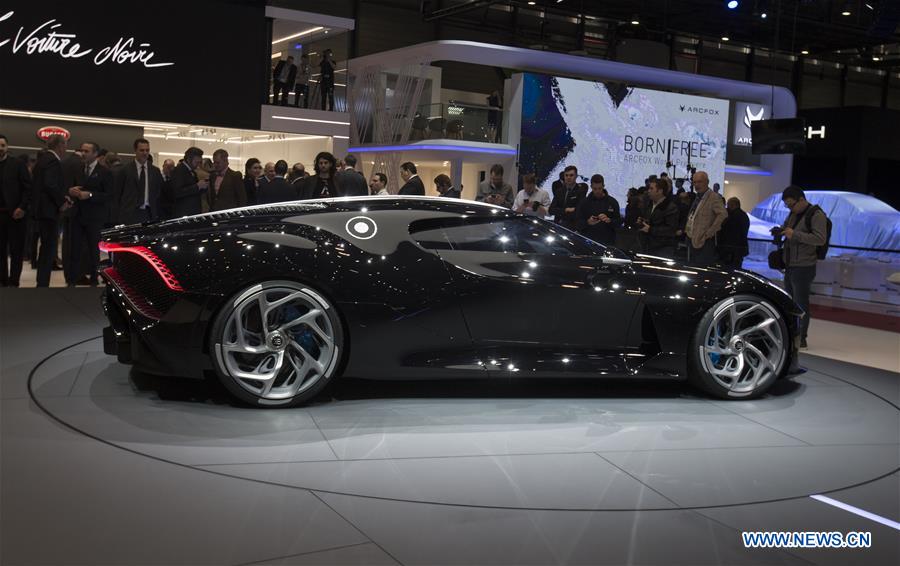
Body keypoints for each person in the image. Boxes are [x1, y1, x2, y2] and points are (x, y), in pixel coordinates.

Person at [772, 185, 828, 349]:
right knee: (790, 302)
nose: (790, 208)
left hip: (804, 265)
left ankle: (801, 337)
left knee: (800, 303)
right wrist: (780, 231)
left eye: (791, 204)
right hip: (790, 264)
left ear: (801, 200)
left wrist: (794, 234)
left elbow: (820, 239)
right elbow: (788, 229)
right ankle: (791, 334)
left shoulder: (816, 215)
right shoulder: (793, 213)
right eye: (787, 205)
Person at [65, 141, 111, 286]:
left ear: (95, 154)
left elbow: (108, 195)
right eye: (82, 151)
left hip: (94, 217)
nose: (83, 154)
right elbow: (67, 187)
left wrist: (90, 195)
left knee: (93, 250)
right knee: (74, 249)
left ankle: (94, 279)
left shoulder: (104, 172)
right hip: (77, 215)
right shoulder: (76, 169)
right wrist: (70, 191)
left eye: (86, 151)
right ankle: (72, 280)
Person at [33, 134, 68, 287]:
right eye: (65, 145)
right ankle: (43, 283)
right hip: (49, 211)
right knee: (49, 248)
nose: (65, 148)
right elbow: (51, 184)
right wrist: (61, 202)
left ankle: (41, 281)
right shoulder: (53, 161)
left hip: (42, 210)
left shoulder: (42, 160)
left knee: (45, 247)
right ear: (60, 145)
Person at [0, 134, 31, 287]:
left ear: (7, 147)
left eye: (2, 145)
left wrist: (22, 207)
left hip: (15, 214)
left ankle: (14, 281)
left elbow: (28, 188)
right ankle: (2, 281)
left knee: (16, 250)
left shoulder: (17, 164)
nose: (0, 148)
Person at [115, 138, 163, 225]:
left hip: (149, 213)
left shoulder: (155, 171)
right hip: (129, 213)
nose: (145, 153)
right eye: (142, 150)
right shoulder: (125, 170)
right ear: (135, 151)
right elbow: (118, 193)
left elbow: (158, 191)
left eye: (147, 150)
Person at [685, 170, 727, 266]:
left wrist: (709, 233)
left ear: (707, 182)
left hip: (704, 242)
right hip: (692, 239)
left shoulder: (714, 197)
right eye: (694, 182)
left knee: (702, 268)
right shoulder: (698, 197)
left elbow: (723, 215)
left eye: (700, 182)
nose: (696, 185)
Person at [636, 177, 679, 258]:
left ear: (660, 191)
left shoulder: (670, 207)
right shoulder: (649, 205)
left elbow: (671, 230)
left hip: (663, 249)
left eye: (651, 188)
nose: (648, 191)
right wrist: (642, 222)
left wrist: (650, 229)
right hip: (647, 246)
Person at [576, 174, 621, 245]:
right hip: (588, 241)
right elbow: (577, 222)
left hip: (607, 241)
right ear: (591, 187)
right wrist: (588, 222)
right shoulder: (584, 203)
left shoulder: (612, 202)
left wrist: (609, 220)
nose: (597, 191)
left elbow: (618, 222)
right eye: (595, 189)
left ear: (603, 186)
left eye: (600, 188)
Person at [168, 147, 208, 218]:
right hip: (183, 212)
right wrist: (197, 186)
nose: (198, 165)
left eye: (199, 162)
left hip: (191, 212)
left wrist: (203, 187)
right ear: (189, 159)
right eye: (196, 162)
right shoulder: (179, 171)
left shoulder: (192, 172)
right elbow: (177, 192)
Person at [549, 165, 587, 230]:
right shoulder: (559, 191)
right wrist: (565, 210)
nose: (568, 177)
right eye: (566, 175)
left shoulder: (581, 191)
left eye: (571, 175)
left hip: (572, 228)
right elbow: (551, 210)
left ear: (576, 176)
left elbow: (579, 211)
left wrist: (559, 211)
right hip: (557, 227)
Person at [718, 197, 750, 269]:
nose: (727, 207)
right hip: (739, 248)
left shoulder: (732, 216)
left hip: (730, 248)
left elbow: (727, 231)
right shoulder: (743, 216)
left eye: (728, 205)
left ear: (733, 205)